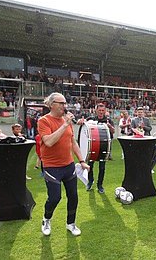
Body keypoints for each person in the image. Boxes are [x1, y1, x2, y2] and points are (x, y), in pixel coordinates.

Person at [37, 92, 90, 236]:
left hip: (69, 165)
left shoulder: (67, 121)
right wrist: (65, 124)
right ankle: (46, 219)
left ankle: (71, 223)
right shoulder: (44, 121)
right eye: (61, 103)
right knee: (55, 198)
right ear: (51, 105)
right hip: (52, 166)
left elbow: (73, 142)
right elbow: (48, 141)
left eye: (65, 103)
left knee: (73, 196)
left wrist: (82, 161)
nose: (64, 106)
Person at [77, 103, 115, 193]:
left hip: (104, 147)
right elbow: (82, 123)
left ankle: (100, 185)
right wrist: (80, 121)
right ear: (96, 111)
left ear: (105, 111)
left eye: (103, 110)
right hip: (92, 147)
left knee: (102, 167)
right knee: (90, 166)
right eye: (99, 110)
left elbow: (113, 131)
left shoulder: (108, 120)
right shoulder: (91, 119)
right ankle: (90, 182)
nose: (101, 112)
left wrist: (109, 127)